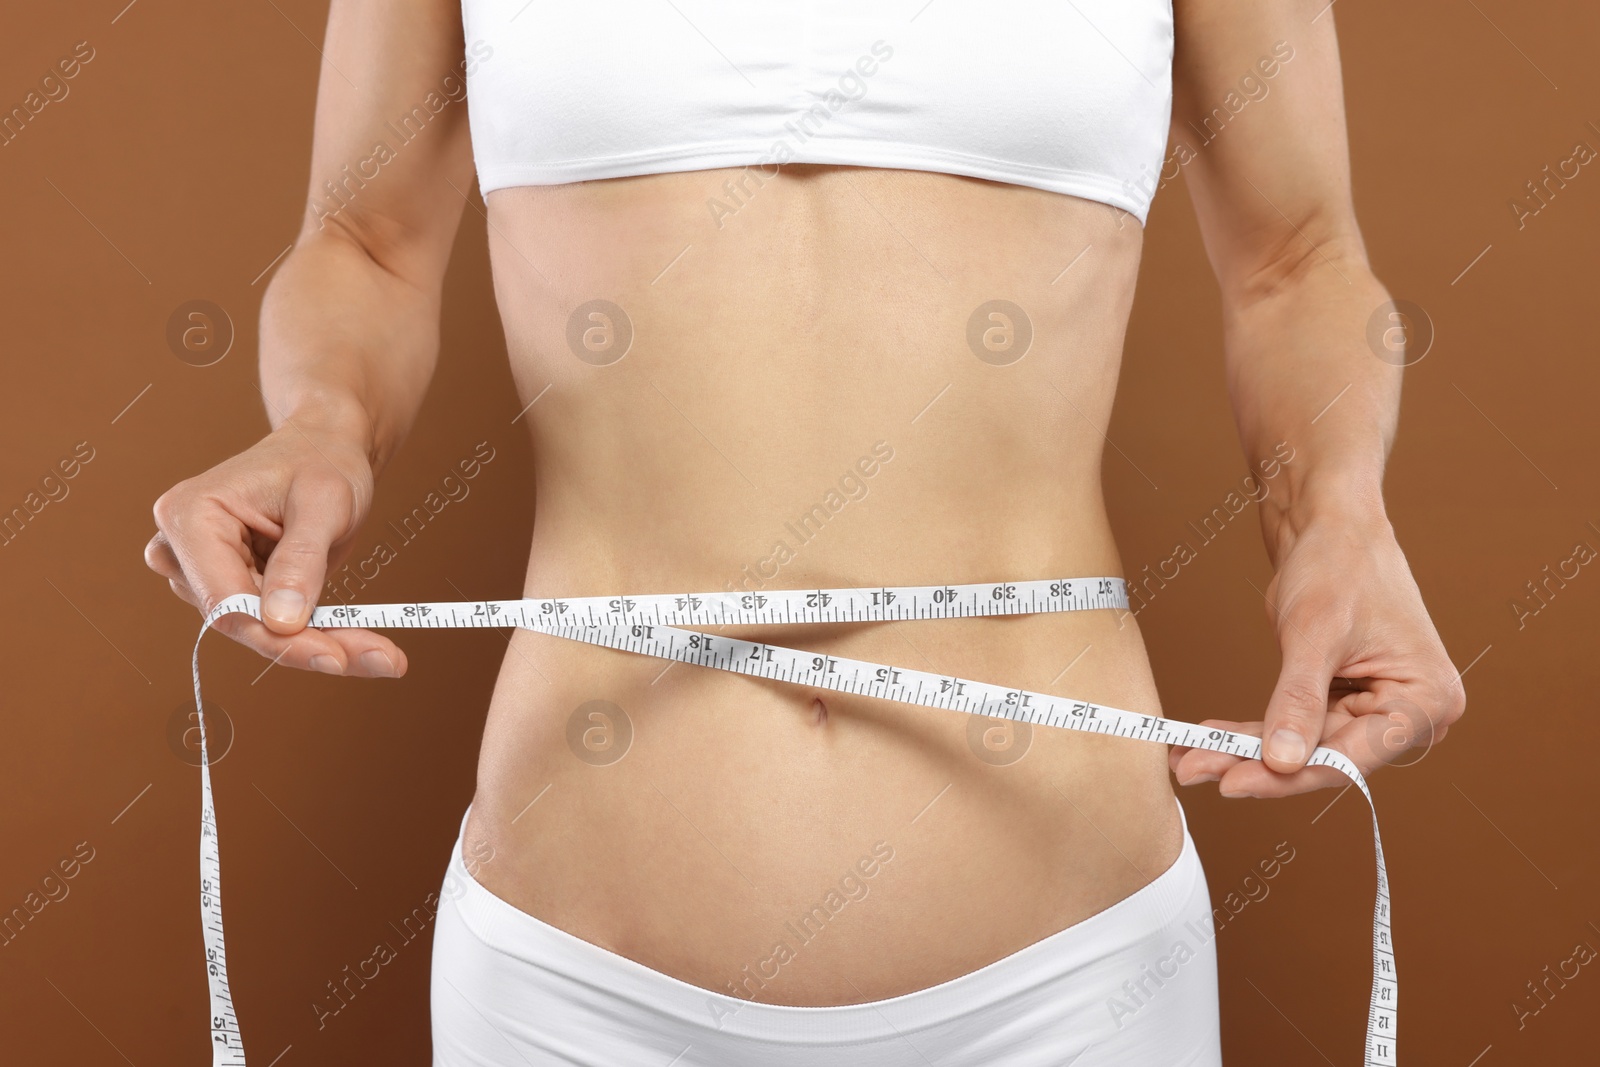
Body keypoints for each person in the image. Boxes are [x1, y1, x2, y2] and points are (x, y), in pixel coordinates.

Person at [145, 1, 1465, 1063]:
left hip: (1069, 984)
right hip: (574, 989)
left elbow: (1298, 257)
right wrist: (323, 424)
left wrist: (1332, 519)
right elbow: (365, 239)